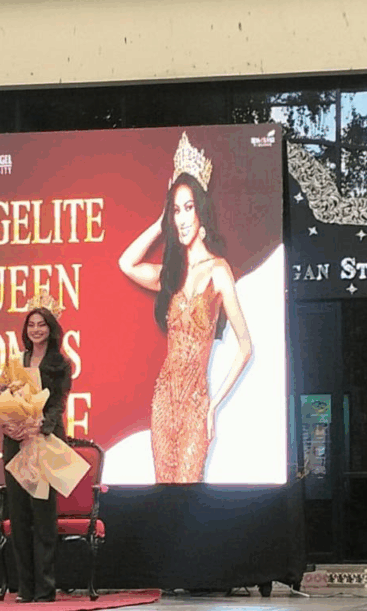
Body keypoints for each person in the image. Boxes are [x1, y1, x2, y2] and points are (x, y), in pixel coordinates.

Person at [118, 132, 252, 483]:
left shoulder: (219, 271)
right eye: (176, 210)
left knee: (189, 496)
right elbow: (126, 263)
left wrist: (213, 406)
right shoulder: (170, 274)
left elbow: (245, 347)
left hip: (196, 405)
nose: (182, 218)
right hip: (163, 401)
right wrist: (159, 222)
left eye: (188, 207)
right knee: (163, 493)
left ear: (201, 210)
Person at [0, 299, 72, 602]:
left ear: (50, 329)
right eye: (31, 325)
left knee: (42, 515)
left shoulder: (60, 363)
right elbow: (1, 397)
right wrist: (7, 424)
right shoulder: (15, 362)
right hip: (16, 441)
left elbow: (58, 403)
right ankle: (25, 588)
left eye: (41, 324)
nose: (36, 329)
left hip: (43, 440)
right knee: (18, 515)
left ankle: (45, 588)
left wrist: (43, 423)